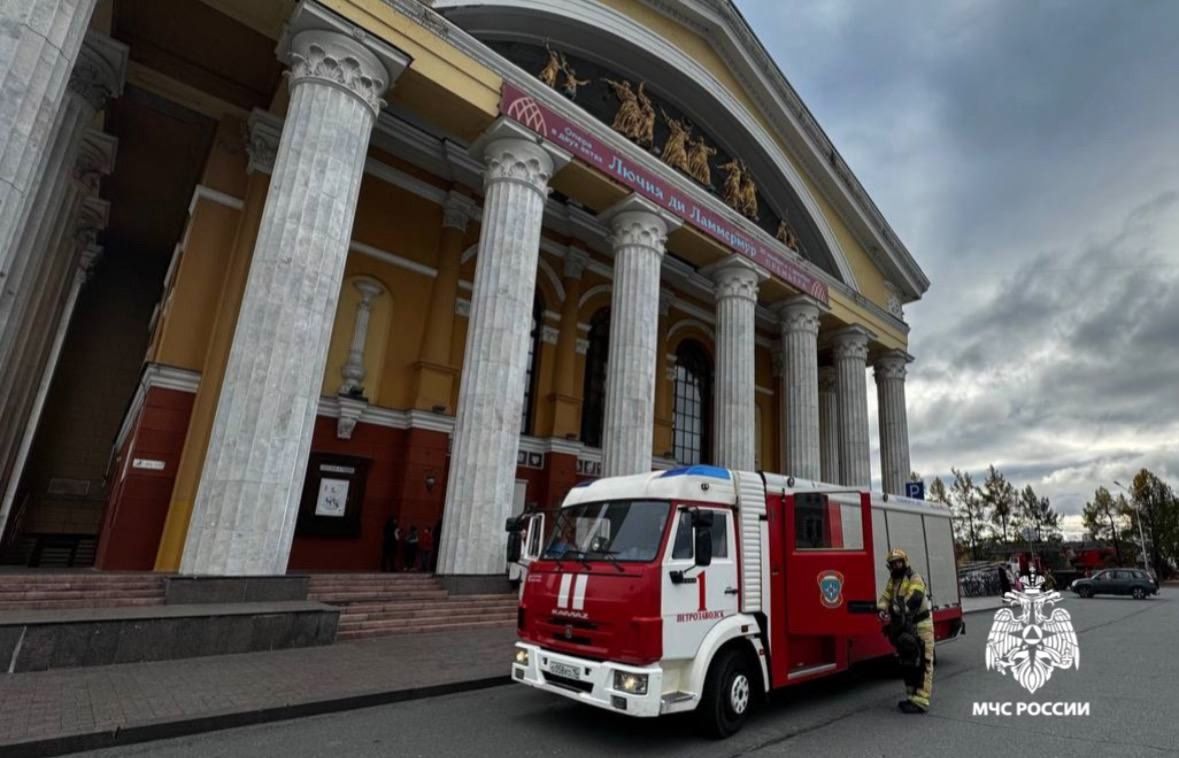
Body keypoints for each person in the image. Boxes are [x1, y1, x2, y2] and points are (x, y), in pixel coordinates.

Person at [877, 548, 935, 714]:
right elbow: (885, 597)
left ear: (905, 561)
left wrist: (896, 609)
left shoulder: (914, 577)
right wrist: (881, 609)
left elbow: (915, 597)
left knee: (924, 662)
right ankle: (912, 697)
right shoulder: (893, 581)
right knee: (908, 661)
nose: (896, 565)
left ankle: (922, 700)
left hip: (921, 625)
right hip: (905, 626)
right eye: (893, 563)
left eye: (899, 562)